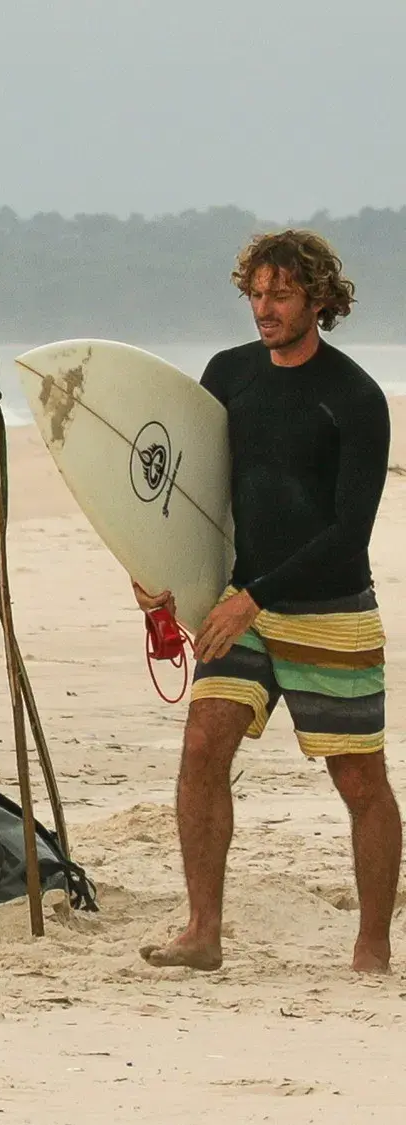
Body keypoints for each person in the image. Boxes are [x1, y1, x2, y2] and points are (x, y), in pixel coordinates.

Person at [136, 230, 396, 973]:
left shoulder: (353, 397)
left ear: (318, 298)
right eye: (255, 292)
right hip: (241, 602)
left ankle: (373, 945)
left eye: (280, 294)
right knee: (202, 745)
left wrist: (253, 598)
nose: (264, 307)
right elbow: (188, 487)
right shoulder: (229, 375)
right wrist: (154, 568)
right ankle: (203, 930)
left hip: (329, 608)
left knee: (359, 778)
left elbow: (350, 533)